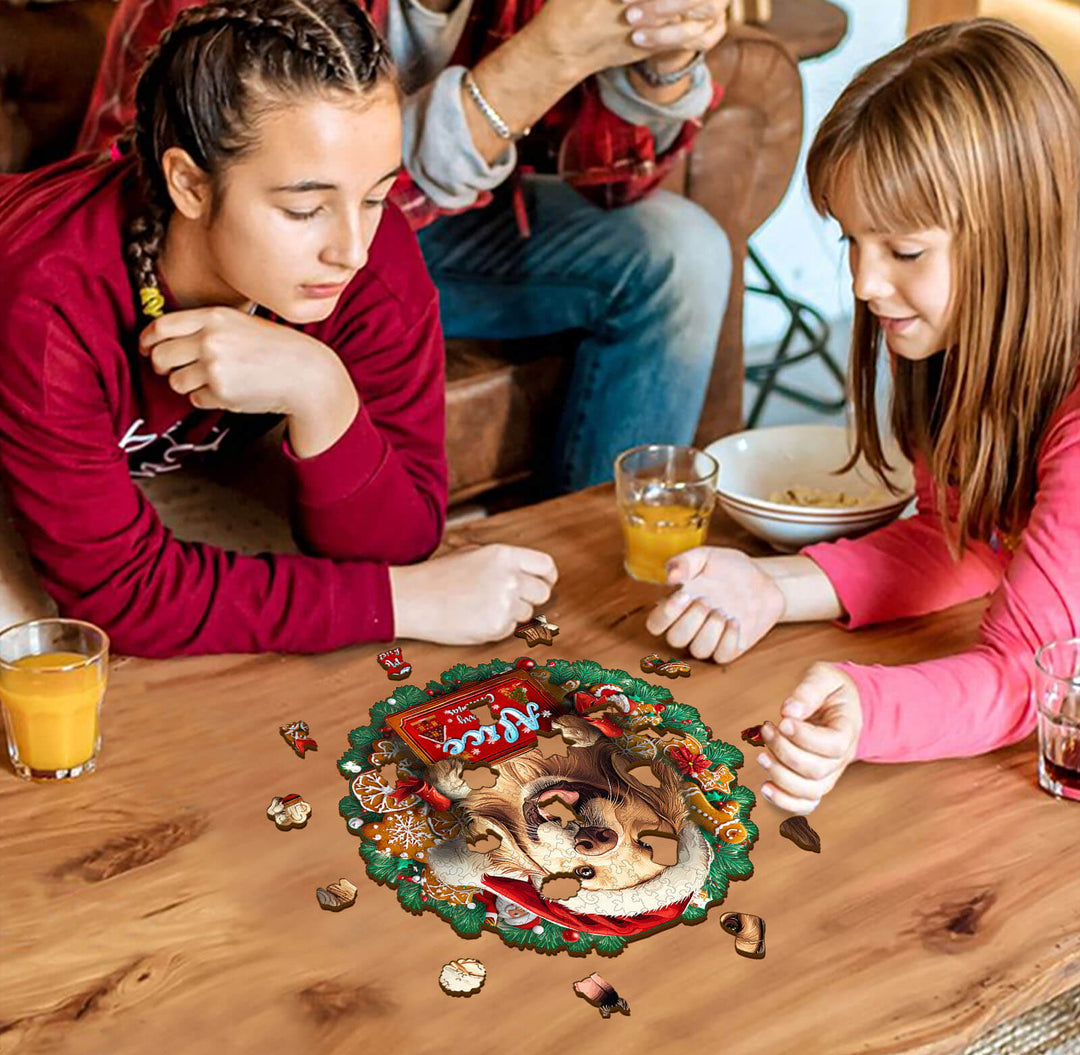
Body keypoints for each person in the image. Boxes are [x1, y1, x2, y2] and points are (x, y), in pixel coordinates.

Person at [0, 0, 557, 656]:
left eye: (374, 196)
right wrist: (406, 601)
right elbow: (123, 597)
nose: (351, 248)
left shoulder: (371, 255)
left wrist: (321, 390)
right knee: (33, 649)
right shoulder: (49, 300)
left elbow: (402, 537)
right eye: (305, 209)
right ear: (189, 185)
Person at [646, 19, 1080, 814]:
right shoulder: (963, 347)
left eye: (904, 252)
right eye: (852, 240)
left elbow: (1033, 673)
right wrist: (772, 587)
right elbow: (966, 537)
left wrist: (868, 709)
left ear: (1024, 236)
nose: (862, 283)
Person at [77, 0, 734, 492]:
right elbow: (164, 205)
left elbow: (617, 187)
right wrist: (544, 59)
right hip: (230, 247)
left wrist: (660, 63)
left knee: (680, 251)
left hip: (432, 223)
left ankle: (603, 555)